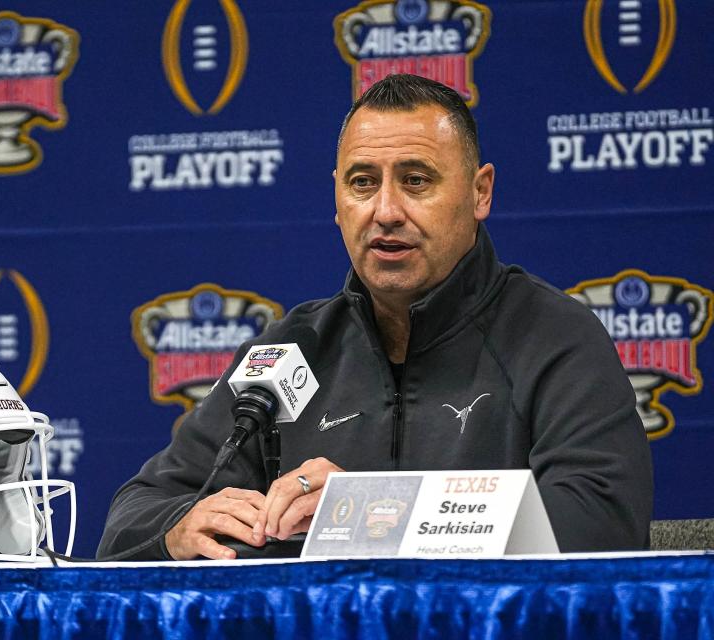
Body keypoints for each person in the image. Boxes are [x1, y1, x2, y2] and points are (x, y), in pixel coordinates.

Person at [97, 74, 653, 560]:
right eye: (363, 182)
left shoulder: (556, 337)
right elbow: (131, 517)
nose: (386, 211)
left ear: (480, 192)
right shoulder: (291, 352)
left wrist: (368, 516)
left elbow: (598, 527)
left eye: (416, 180)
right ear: (337, 199)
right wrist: (178, 528)